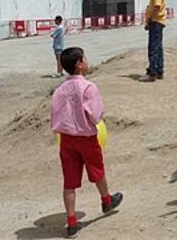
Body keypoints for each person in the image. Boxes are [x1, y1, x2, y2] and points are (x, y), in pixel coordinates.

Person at [51, 47, 123, 238]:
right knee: (97, 171)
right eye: (85, 58)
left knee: (69, 182)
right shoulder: (88, 87)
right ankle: (106, 201)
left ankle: (72, 223)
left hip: (66, 139)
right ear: (79, 64)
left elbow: (55, 114)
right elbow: (96, 114)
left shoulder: (59, 90)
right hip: (87, 138)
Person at [139, 0, 167, 82]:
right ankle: (159, 70)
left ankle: (152, 72)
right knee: (158, 47)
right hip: (159, 21)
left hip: (156, 21)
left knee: (153, 47)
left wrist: (149, 19)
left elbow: (156, 6)